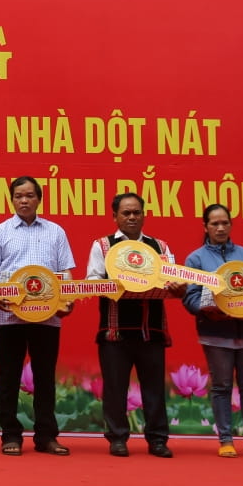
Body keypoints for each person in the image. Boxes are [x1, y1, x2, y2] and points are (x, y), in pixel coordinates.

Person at [0, 175, 76, 456]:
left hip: (47, 316)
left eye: (29, 195)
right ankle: (10, 435)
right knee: (8, 378)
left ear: (39, 199)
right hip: (9, 317)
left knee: (45, 378)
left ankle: (46, 436)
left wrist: (67, 299)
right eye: (19, 196)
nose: (24, 200)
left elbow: (65, 271)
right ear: (11, 199)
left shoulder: (55, 232)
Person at [182, 204, 243, 459]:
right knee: (221, 387)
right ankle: (225, 440)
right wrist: (209, 307)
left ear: (231, 224)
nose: (220, 228)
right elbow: (190, 299)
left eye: (225, 222)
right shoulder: (196, 260)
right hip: (216, 334)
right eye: (214, 223)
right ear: (205, 227)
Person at [85, 192, 179, 458]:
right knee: (115, 389)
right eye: (126, 213)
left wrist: (177, 287)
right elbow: (92, 281)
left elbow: (172, 280)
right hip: (114, 331)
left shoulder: (160, 247)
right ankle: (117, 438)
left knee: (154, 390)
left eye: (137, 212)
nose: (132, 217)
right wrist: (119, 284)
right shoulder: (102, 246)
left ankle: (157, 440)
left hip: (151, 331)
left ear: (144, 215)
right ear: (114, 216)